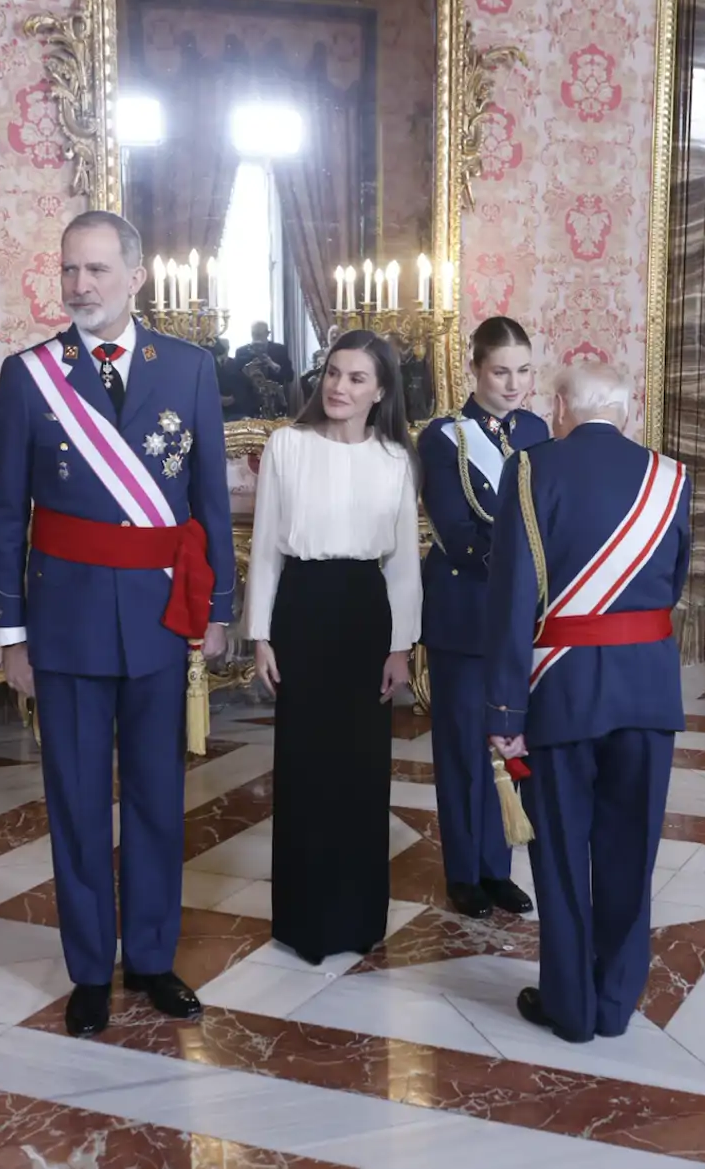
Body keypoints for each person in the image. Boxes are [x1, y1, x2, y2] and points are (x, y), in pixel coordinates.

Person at [0, 210, 235, 1038]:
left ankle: (154, 957)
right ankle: (91, 967)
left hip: (160, 619)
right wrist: (11, 636)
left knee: (159, 796)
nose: (79, 286)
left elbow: (207, 504)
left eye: (95, 271)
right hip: (66, 625)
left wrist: (219, 609)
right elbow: (3, 514)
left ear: (135, 276)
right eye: (68, 271)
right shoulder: (31, 377)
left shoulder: (190, 368)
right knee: (80, 800)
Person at [485, 362, 690, 1043]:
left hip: (561, 690)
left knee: (563, 853)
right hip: (648, 689)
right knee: (633, 851)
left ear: (561, 409)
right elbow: (674, 578)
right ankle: (614, 1000)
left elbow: (513, 596)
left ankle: (569, 1006)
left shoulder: (531, 468)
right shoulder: (672, 477)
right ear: (628, 413)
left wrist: (506, 715)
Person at [243, 329, 422, 965]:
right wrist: (259, 632)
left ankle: (358, 918)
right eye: (333, 374)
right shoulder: (286, 446)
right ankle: (304, 921)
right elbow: (266, 547)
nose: (339, 388)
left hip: (365, 614)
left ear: (380, 392)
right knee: (305, 766)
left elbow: (402, 564)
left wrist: (401, 646)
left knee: (362, 770)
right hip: (303, 609)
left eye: (355, 379)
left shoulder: (396, 458)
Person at [418, 316, 547, 919]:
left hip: (524, 620)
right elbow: (456, 531)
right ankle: (464, 871)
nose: (514, 383)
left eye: (523, 370)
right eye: (501, 371)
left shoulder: (538, 430)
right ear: (474, 369)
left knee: (512, 741)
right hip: (466, 610)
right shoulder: (445, 437)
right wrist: (523, 567)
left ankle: (500, 868)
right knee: (464, 749)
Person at [235, 321, 294, 410]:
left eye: (260, 334)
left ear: (267, 334)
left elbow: (290, 376)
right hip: (250, 403)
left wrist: (274, 365)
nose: (257, 337)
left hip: (275, 402)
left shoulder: (280, 350)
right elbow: (236, 380)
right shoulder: (241, 352)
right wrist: (246, 371)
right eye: (254, 334)